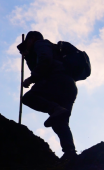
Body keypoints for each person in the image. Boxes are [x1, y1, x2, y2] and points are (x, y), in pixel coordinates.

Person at [17, 31, 78, 162]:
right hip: (68, 85)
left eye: (27, 42)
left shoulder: (41, 43)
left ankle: (55, 108)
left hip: (56, 80)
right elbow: (41, 64)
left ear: (32, 39)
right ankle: (70, 152)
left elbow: (45, 60)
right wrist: (29, 57)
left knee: (28, 98)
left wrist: (31, 79)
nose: (26, 45)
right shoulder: (53, 49)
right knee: (59, 121)